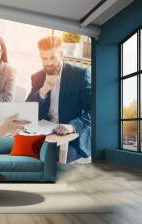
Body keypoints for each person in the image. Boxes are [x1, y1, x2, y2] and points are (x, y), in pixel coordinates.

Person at [26, 35, 91, 163]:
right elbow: (28, 110)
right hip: (45, 134)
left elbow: (94, 111)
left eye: (52, 57)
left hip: (72, 138)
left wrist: (72, 126)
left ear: (61, 54)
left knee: (49, 157)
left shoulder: (79, 75)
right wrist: (43, 90)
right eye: (44, 58)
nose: (48, 63)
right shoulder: (37, 77)